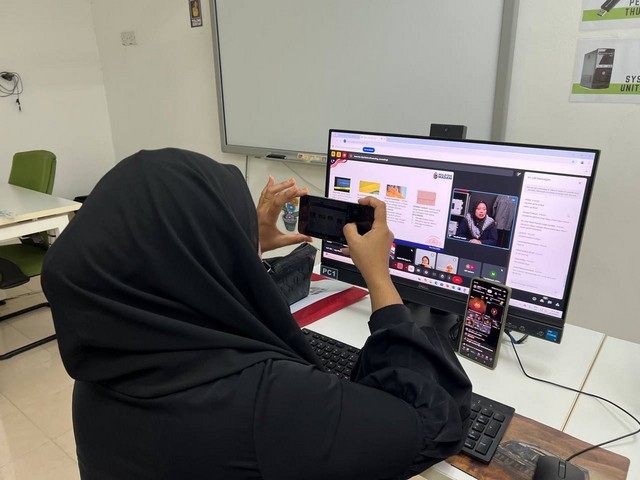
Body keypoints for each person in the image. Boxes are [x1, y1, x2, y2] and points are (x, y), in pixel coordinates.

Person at [41, 148, 471, 480]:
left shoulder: (103, 363)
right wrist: (378, 275)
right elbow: (430, 423)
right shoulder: (268, 402)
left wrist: (247, 247)